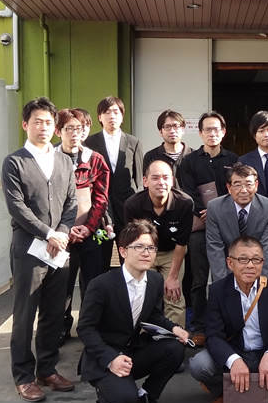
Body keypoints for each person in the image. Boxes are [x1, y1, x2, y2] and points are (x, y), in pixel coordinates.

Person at [1, 97, 78, 402]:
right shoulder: (15, 162)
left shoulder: (64, 161)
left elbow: (71, 201)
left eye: (48, 122)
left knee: (54, 312)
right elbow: (16, 207)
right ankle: (23, 376)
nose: (43, 127)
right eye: (37, 122)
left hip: (58, 249)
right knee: (25, 313)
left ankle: (47, 369)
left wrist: (62, 233)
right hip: (29, 248)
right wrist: (48, 233)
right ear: (25, 125)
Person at [76, 220, 190, 403]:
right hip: (105, 355)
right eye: (138, 247)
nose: (146, 253)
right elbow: (85, 328)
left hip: (132, 351)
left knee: (175, 347)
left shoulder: (155, 280)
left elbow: (154, 316)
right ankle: (108, 391)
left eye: (151, 248)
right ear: (123, 251)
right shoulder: (101, 285)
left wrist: (174, 328)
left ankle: (147, 395)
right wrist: (111, 359)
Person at [189, 235, 268, 403]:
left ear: (262, 263)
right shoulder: (218, 290)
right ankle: (223, 392)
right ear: (230, 263)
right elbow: (213, 335)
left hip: (265, 350)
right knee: (200, 365)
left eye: (256, 259)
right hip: (235, 350)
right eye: (243, 259)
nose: (250, 265)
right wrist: (234, 360)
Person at [178, 111, 238, 344]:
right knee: (199, 280)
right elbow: (187, 191)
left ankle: (229, 324)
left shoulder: (233, 159)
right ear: (200, 132)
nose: (212, 133)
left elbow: (237, 189)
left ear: (223, 132)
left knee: (228, 276)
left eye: (216, 129)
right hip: (200, 226)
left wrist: (219, 210)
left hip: (228, 226)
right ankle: (200, 326)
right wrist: (206, 210)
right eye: (207, 129)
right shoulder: (189, 161)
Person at [55, 107, 110, 340]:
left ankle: (89, 328)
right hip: (60, 236)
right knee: (62, 284)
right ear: (58, 131)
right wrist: (64, 231)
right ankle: (60, 327)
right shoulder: (50, 159)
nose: (75, 133)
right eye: (69, 128)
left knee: (92, 283)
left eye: (79, 128)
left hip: (90, 232)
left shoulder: (95, 159)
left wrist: (88, 227)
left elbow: (101, 198)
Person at [123, 159, 194, 328]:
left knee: (173, 295)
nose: (161, 182)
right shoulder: (133, 205)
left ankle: (174, 337)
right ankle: (140, 336)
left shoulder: (185, 203)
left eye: (165, 177)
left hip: (172, 252)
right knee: (142, 294)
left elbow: (181, 243)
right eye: (155, 178)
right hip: (144, 252)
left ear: (172, 181)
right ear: (145, 181)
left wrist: (173, 277)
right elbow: (133, 243)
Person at [84, 96, 143, 271]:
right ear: (100, 117)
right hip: (99, 211)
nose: (112, 116)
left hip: (127, 209)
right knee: (99, 262)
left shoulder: (134, 142)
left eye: (116, 112)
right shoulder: (89, 143)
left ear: (122, 116)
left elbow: (139, 179)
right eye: (107, 112)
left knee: (130, 260)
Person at [205, 163, 268, 283]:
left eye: (249, 185)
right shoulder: (215, 208)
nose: (244, 190)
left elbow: (266, 249)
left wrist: (260, 283)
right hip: (227, 270)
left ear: (256, 185)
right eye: (237, 185)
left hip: (256, 270)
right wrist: (224, 284)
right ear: (229, 188)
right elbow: (215, 248)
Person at [142, 109, 193, 189]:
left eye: (176, 126)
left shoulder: (194, 156)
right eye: (167, 127)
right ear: (160, 132)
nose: (172, 131)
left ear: (183, 130)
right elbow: (148, 187)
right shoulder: (151, 157)